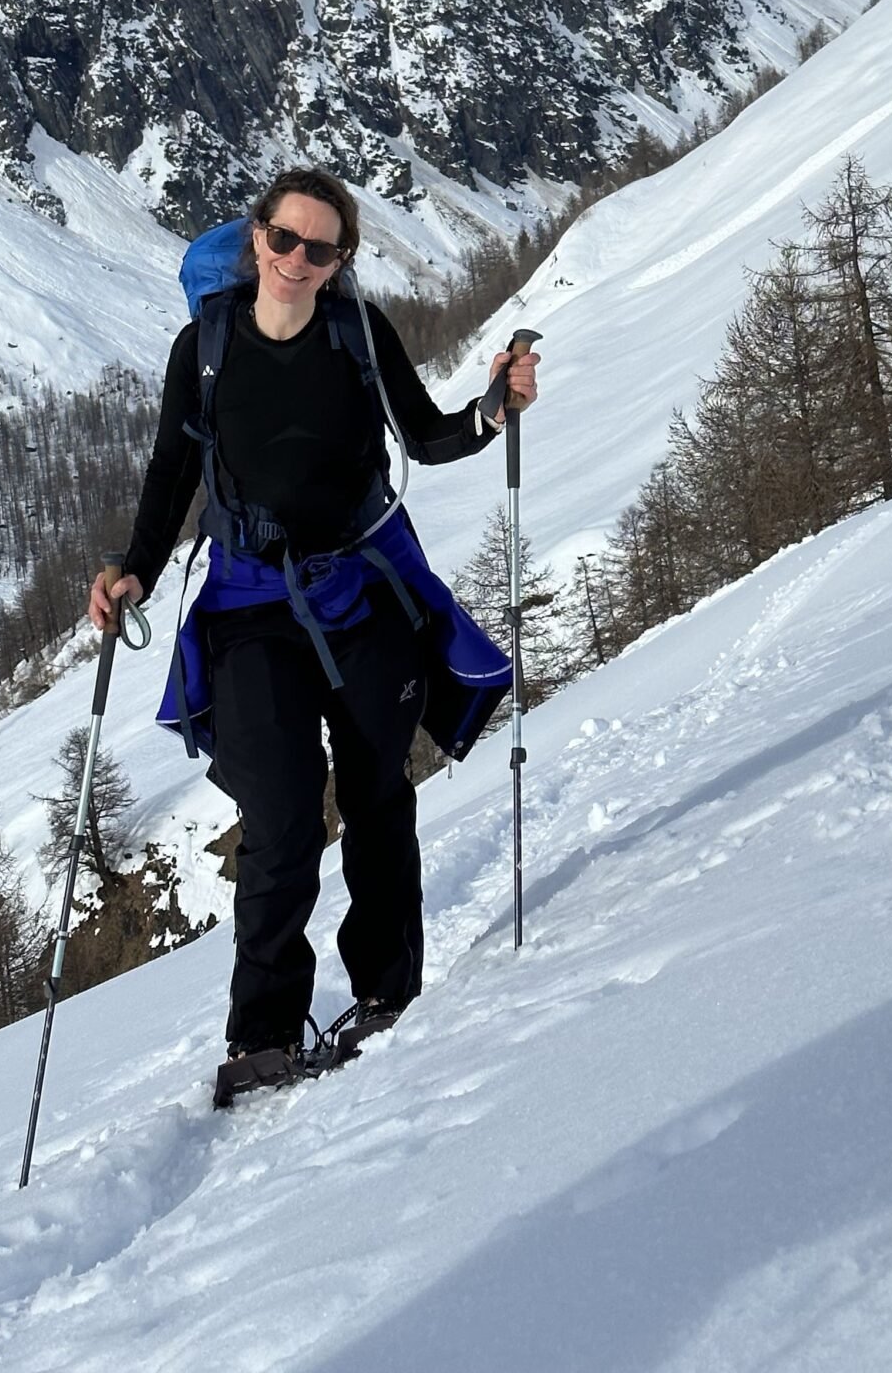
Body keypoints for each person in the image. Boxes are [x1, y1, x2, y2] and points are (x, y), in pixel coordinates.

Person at [89, 165, 539, 1099]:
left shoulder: (357, 334)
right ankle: (261, 1033)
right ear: (256, 239)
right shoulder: (203, 346)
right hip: (251, 605)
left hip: (363, 591)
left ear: (340, 261)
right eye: (284, 239)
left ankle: (385, 994)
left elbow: (425, 436)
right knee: (284, 810)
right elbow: (174, 472)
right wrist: (134, 565)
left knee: (378, 797)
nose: (297, 259)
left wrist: (494, 409)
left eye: (319, 247)